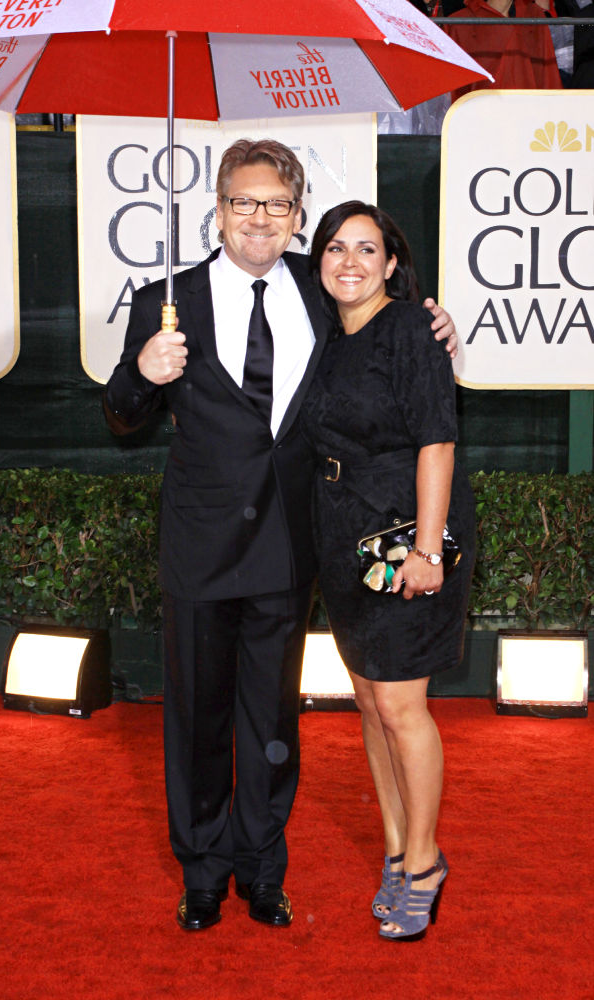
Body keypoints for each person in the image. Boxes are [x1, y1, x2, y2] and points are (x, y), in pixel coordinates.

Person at [103, 140, 457, 932]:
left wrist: (431, 318)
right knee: (196, 718)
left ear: (298, 217)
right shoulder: (169, 299)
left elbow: (384, 338)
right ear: (218, 209)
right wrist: (142, 372)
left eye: (277, 205)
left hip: (292, 547)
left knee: (271, 723)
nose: (259, 217)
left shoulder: (320, 286)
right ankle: (202, 871)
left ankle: (264, 869)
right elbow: (121, 415)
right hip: (199, 546)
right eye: (243, 202)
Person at [300, 201, 476, 941]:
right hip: (345, 538)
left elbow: (438, 438)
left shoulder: (408, 328)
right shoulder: (328, 339)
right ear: (319, 264)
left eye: (367, 250)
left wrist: (428, 551)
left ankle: (428, 862)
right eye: (336, 249)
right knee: (371, 703)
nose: (350, 262)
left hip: (407, 537)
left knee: (403, 707)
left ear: (393, 264)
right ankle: (399, 849)